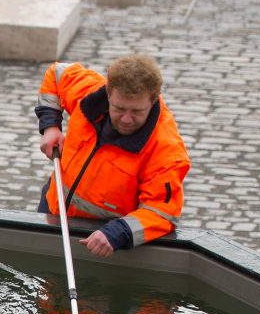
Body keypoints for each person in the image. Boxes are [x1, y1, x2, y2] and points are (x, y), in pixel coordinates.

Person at [34, 54, 190, 257]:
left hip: (102, 239)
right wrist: (50, 126)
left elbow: (162, 213)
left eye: (136, 111)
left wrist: (119, 232)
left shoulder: (166, 152)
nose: (126, 119)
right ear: (108, 93)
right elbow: (57, 74)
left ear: (153, 100)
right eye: (119, 108)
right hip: (53, 211)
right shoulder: (87, 92)